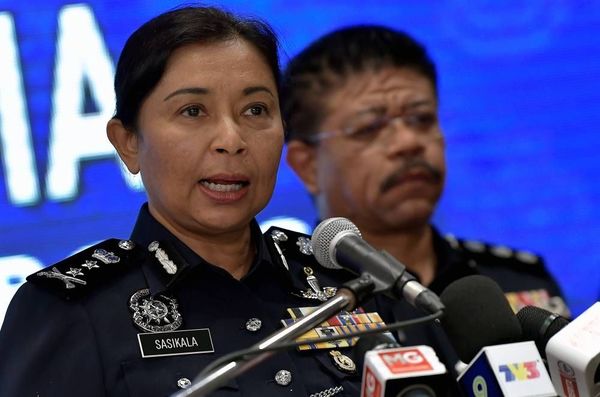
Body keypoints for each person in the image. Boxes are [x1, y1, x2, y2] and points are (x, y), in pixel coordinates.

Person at [0, 7, 389, 397]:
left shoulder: (347, 284)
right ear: (128, 143)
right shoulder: (74, 312)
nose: (231, 140)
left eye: (255, 110)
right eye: (193, 111)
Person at [282, 25, 570, 368]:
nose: (409, 142)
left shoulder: (516, 283)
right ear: (308, 165)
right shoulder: (282, 301)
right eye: (371, 127)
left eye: (421, 119)